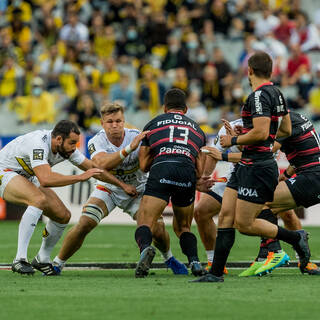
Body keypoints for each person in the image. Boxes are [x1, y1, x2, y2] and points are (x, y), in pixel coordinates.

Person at [194, 51, 310, 283]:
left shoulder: (257, 96)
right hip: (248, 164)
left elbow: (260, 132)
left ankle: (295, 238)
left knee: (244, 224)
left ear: (249, 71)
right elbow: (285, 131)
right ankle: (215, 273)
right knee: (226, 217)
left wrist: (233, 141)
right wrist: (247, 133)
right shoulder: (278, 93)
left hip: (256, 165)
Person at [53, 103, 188, 275]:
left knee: (158, 230)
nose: (115, 125)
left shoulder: (137, 135)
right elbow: (101, 165)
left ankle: (168, 258)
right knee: (85, 222)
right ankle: (57, 263)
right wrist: (129, 149)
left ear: (124, 121)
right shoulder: (97, 141)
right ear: (102, 123)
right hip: (109, 188)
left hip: (138, 188)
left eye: (118, 121)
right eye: (110, 122)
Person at [0, 120, 133, 275]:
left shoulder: (67, 149)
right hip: (5, 171)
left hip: (27, 176)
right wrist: (80, 177)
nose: (74, 148)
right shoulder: (38, 144)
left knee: (63, 216)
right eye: (72, 143)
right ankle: (19, 259)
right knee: (38, 200)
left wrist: (122, 185)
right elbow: (45, 179)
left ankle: (42, 258)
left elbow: (94, 169)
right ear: (58, 139)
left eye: (76, 143)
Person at [134, 88, 212, 278]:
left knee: (145, 220)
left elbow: (143, 165)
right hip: (186, 172)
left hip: (162, 167)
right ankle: (194, 261)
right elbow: (200, 170)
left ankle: (146, 249)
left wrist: (162, 154)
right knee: (183, 227)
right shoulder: (197, 129)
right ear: (185, 109)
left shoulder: (153, 123)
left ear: (164, 107)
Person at [194, 118, 243, 272]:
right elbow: (213, 154)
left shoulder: (268, 126)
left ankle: (301, 257)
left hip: (261, 175)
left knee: (280, 212)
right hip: (235, 174)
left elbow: (254, 157)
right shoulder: (230, 127)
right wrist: (204, 178)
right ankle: (214, 262)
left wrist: (235, 140)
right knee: (201, 211)